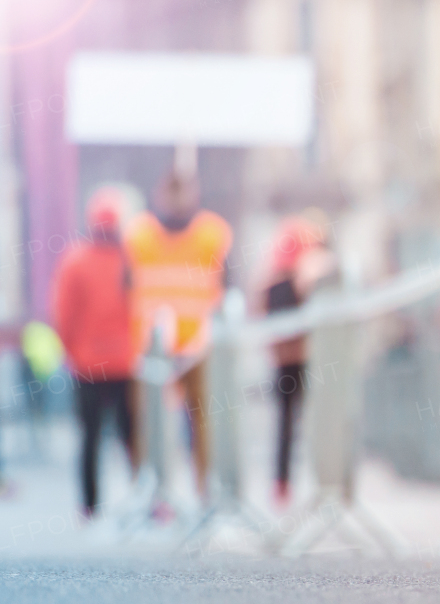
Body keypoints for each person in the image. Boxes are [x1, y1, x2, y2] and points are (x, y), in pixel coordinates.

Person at [124, 171, 232, 501]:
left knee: (203, 423)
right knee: (148, 424)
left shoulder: (211, 234)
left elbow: (226, 286)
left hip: (198, 345)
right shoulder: (139, 235)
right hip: (151, 346)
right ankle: (151, 495)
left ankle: (205, 492)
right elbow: (125, 285)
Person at [50, 192, 137, 518]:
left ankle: (90, 505)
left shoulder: (76, 260)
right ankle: (143, 500)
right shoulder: (130, 259)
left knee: (90, 436)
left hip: (88, 364)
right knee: (133, 435)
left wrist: (72, 352)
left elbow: (63, 314)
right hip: (127, 362)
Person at [258, 213, 336, 507]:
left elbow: (262, 314)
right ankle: (319, 482)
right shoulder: (308, 269)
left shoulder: (271, 276)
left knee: (286, 426)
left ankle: (284, 485)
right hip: (306, 360)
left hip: (286, 360)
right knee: (312, 422)